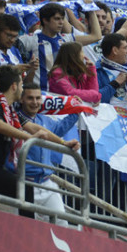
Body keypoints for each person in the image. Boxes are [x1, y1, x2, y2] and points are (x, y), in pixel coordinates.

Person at [0, 65, 69, 209]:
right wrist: (28, 138)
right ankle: (27, 228)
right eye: (21, 84)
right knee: (24, 189)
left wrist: (63, 143)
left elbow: (35, 128)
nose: (22, 88)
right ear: (14, 86)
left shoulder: (11, 110)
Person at [15, 82, 81, 226]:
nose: (35, 102)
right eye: (30, 98)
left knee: (62, 227)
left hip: (47, 183)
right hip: (24, 183)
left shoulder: (44, 120)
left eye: (38, 98)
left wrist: (76, 110)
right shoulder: (14, 119)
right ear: (21, 99)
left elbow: (60, 129)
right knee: (26, 231)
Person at [19, 2, 102, 90]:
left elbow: (96, 36)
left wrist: (90, 8)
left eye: (62, 19)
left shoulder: (67, 39)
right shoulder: (30, 40)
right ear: (45, 20)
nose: (61, 22)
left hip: (61, 94)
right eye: (57, 19)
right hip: (40, 95)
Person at [0, 14, 36, 83]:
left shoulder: (15, 51)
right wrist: (12, 71)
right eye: (9, 36)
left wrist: (32, 69)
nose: (12, 40)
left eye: (15, 37)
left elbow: (24, 82)